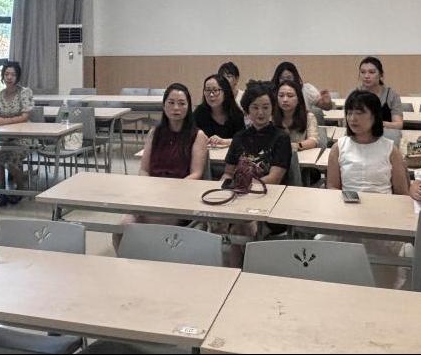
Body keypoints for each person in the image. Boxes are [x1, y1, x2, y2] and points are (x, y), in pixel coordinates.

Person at [325, 90, 409, 288]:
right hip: (349, 213)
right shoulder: (339, 147)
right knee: (321, 240)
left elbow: (401, 193)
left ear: (374, 116)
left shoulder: (390, 148)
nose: (353, 118)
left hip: (384, 215)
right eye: (349, 112)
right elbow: (332, 186)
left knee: (403, 251)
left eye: (360, 112)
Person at [114, 83, 208, 248]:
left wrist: (170, 191)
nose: (176, 108)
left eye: (181, 103)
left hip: (179, 196)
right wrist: (148, 189)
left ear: (188, 107)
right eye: (171, 103)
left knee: (157, 229)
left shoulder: (198, 136)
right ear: (164, 106)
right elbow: (144, 169)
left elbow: (196, 174)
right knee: (121, 229)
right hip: (151, 194)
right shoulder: (154, 133)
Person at [221, 80, 292, 266]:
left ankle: (244, 271)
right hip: (239, 200)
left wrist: (244, 189)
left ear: (272, 108)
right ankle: (237, 272)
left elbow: (274, 178)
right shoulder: (239, 137)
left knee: (240, 227)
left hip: (270, 201)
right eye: (255, 107)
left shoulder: (281, 138)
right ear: (247, 110)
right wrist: (223, 189)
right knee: (237, 226)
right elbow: (228, 173)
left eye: (266, 107)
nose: (260, 113)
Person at [0, 61, 34, 207]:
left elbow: (25, 116)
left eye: (13, 75)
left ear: (18, 77)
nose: (9, 77)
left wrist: (4, 121)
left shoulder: (24, 92)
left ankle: (20, 188)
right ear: (2, 76)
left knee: (12, 157)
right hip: (3, 136)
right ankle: (2, 191)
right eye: (6, 74)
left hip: (23, 136)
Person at [194, 74, 246, 148]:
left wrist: (223, 141)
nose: (211, 95)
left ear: (225, 92)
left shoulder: (236, 114)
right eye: (207, 90)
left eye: (215, 90)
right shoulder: (199, 113)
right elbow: (190, 136)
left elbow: (243, 140)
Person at [355, 56, 403, 130]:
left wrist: (376, 124)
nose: (366, 76)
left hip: (385, 134)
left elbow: (398, 124)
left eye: (371, 72)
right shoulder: (354, 95)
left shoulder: (392, 95)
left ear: (381, 74)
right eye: (363, 72)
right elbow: (346, 123)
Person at [273, 80, 320, 151]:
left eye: (290, 96)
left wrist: (294, 146)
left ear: (299, 99)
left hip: (301, 155)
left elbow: (313, 141)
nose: (285, 100)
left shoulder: (309, 117)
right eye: (281, 96)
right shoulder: (271, 117)